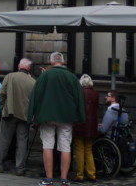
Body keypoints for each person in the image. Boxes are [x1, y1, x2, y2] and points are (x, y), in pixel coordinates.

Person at [27, 51, 85, 186]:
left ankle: (49, 179)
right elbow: (79, 97)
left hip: (47, 116)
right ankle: (64, 179)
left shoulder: (45, 75)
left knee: (47, 145)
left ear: (51, 62)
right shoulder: (71, 77)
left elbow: (35, 95)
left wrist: (31, 116)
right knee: (65, 147)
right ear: (63, 62)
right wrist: (80, 116)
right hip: (66, 116)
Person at [0, 57, 36, 176]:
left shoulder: (10, 76)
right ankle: (20, 168)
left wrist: (3, 107)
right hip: (24, 115)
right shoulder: (33, 81)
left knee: (3, 140)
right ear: (29, 68)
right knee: (22, 141)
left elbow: (2, 93)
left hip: (9, 113)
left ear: (19, 66)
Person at [72, 74, 100, 182]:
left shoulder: (78, 93)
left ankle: (80, 174)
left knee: (79, 149)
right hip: (91, 126)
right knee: (89, 150)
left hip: (79, 124)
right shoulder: (96, 94)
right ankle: (92, 174)